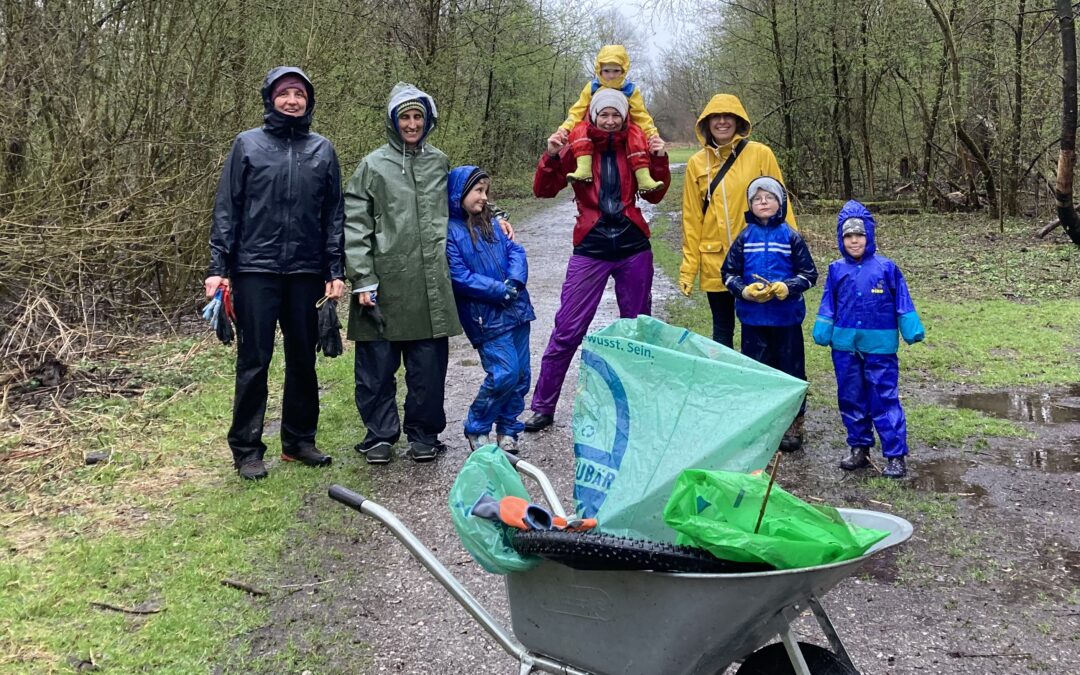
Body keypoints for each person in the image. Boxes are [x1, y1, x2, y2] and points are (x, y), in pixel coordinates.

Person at [206, 66, 345, 480]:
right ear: (271, 99)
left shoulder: (323, 150)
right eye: (284, 93)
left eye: (299, 94)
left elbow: (333, 215)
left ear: (308, 101)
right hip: (254, 270)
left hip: (306, 271)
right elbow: (227, 209)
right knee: (255, 360)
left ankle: (299, 442)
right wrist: (219, 268)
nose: (292, 100)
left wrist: (334, 270)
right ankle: (247, 449)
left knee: (303, 360)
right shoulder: (246, 145)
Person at [524, 89, 670, 432]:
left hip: (634, 247)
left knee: (637, 330)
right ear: (592, 115)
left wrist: (660, 159)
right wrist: (550, 156)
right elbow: (543, 190)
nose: (609, 120)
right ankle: (543, 406)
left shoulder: (635, 144)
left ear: (624, 117)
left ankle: (639, 403)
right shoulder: (576, 146)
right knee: (568, 328)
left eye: (615, 114)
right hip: (591, 246)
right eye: (603, 114)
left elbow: (657, 194)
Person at [344, 82, 464, 465]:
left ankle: (424, 434)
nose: (412, 124)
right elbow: (354, 223)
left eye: (418, 117)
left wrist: (496, 217)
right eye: (405, 117)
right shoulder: (372, 165)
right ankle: (379, 435)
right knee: (376, 368)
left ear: (428, 121)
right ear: (392, 122)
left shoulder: (440, 162)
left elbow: (462, 205)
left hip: (430, 282)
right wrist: (361, 276)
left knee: (427, 367)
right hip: (381, 282)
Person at [813, 200, 925, 478]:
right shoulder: (836, 269)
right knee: (850, 397)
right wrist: (823, 327)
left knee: (883, 398)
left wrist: (910, 327)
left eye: (859, 235)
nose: (854, 241)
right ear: (841, 238)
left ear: (870, 236)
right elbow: (829, 301)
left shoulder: (887, 268)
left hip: (880, 347)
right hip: (844, 345)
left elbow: (902, 300)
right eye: (848, 236)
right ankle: (859, 448)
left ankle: (895, 454)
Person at [679, 94, 796, 348]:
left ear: (738, 120)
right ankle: (726, 385)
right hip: (715, 259)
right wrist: (689, 269)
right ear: (706, 123)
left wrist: (793, 253)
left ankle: (759, 382)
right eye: (715, 118)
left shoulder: (760, 154)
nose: (722, 122)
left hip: (757, 257)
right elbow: (692, 219)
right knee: (722, 332)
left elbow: (782, 205)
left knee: (757, 329)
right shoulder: (696, 163)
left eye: (727, 116)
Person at [720, 177, 817, 451]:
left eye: (769, 197)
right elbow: (728, 273)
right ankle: (760, 423)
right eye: (757, 199)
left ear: (780, 203)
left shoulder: (791, 237)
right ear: (750, 205)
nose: (763, 202)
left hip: (786, 319)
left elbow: (810, 274)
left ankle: (793, 423)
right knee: (756, 371)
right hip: (752, 320)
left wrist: (789, 286)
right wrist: (744, 291)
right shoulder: (744, 238)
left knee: (791, 371)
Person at [446, 166, 536, 454]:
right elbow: (459, 276)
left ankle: (509, 428)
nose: (484, 197)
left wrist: (515, 281)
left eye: (486, 191)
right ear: (460, 193)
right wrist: (499, 291)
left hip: (517, 309)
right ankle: (477, 426)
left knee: (521, 375)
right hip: (486, 317)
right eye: (478, 191)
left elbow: (516, 251)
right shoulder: (451, 232)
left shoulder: (493, 224)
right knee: (504, 374)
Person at [550, 45, 665, 192]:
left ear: (624, 70)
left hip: (622, 132)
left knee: (635, 135)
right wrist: (564, 130)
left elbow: (641, 116)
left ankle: (643, 178)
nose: (611, 76)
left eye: (616, 71)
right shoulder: (592, 86)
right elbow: (577, 111)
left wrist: (652, 135)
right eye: (606, 71)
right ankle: (583, 167)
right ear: (599, 70)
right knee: (580, 129)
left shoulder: (630, 89)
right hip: (593, 133)